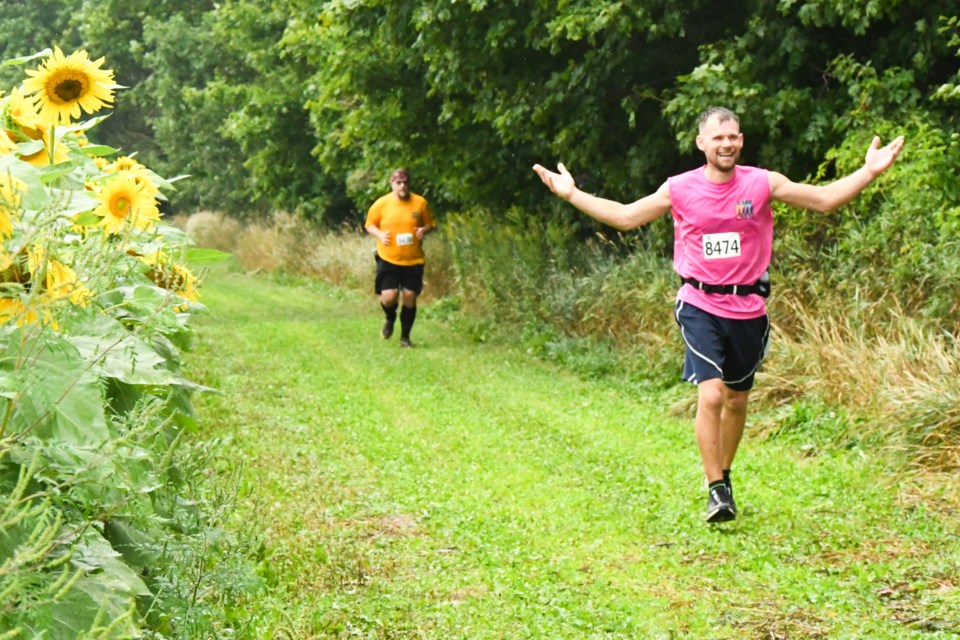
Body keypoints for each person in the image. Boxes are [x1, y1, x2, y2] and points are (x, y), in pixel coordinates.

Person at [533, 107, 904, 523]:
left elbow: (823, 200)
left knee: (737, 398)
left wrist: (869, 172)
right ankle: (716, 490)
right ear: (701, 144)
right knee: (710, 394)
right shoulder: (680, 188)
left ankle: (724, 475)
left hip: (749, 307)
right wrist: (572, 194)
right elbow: (625, 217)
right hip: (699, 303)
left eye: (732, 137)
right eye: (717, 138)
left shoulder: (763, 183)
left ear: (740, 141)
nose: (726, 143)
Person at [365, 168, 437, 348]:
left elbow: (430, 223)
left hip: (413, 259)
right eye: (399, 183)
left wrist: (424, 230)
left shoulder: (420, 203)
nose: (402, 186)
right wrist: (380, 235)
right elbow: (369, 225)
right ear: (392, 184)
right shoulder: (381, 204)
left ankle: (405, 338)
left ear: (409, 184)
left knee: (409, 296)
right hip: (388, 257)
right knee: (389, 297)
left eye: (405, 182)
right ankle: (390, 319)